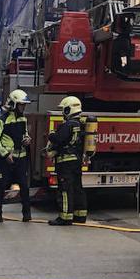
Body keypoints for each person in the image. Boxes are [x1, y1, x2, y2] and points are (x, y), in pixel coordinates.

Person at [0, 89, 32, 223]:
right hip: (4, 161)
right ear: (13, 104)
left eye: (24, 105)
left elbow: (25, 134)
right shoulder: (1, 120)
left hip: (21, 158)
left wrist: (27, 139)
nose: (23, 107)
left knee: (24, 187)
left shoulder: (23, 119)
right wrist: (5, 154)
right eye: (21, 104)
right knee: (1, 186)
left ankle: (27, 214)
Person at [45, 95, 87, 226]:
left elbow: (58, 139)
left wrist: (51, 134)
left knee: (65, 189)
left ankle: (65, 217)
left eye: (64, 109)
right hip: (77, 161)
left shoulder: (67, 125)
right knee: (77, 187)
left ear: (69, 110)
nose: (63, 112)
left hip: (65, 162)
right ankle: (80, 215)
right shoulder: (81, 124)